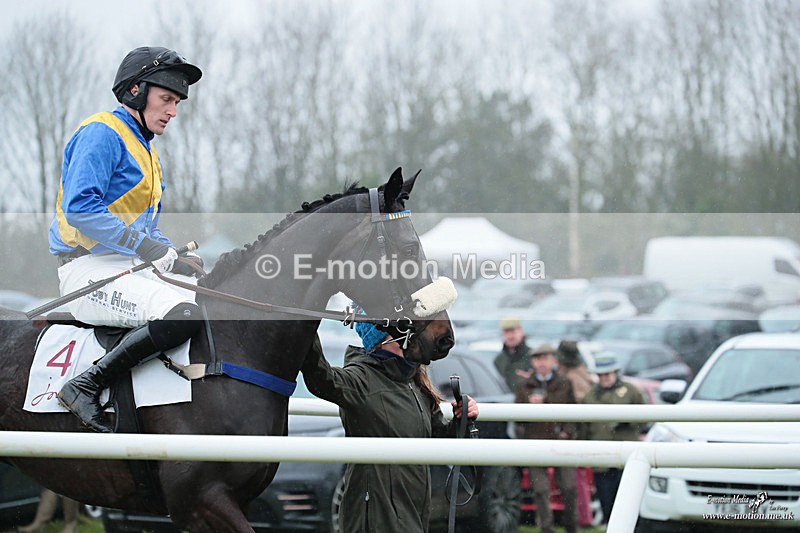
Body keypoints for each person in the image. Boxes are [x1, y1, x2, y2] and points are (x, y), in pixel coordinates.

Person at [48, 46, 205, 433]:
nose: (172, 111)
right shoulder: (102, 132)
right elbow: (81, 209)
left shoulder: (148, 151)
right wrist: (142, 246)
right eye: (167, 99)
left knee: (211, 299)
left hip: (126, 267)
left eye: (177, 103)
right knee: (182, 315)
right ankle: (85, 385)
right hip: (86, 271)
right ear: (136, 91)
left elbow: (146, 227)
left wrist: (169, 253)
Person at [300, 322, 479, 533]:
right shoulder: (361, 379)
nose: (415, 341)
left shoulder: (414, 383)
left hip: (412, 512)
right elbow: (320, 378)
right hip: (375, 516)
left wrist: (462, 419)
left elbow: (438, 437)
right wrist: (306, 325)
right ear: (385, 340)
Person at [514, 343, 578, 533]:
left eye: (545, 358)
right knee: (541, 491)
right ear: (533, 362)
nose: (542, 363)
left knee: (569, 488)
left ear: (553, 360)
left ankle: (571, 528)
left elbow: (574, 412)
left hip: (561, 442)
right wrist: (529, 405)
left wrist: (567, 432)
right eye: (538, 358)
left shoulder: (565, 382)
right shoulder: (523, 386)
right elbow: (517, 419)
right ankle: (547, 529)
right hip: (536, 442)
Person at [581, 352, 646, 524]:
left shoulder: (630, 391)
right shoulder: (589, 397)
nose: (604, 378)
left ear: (615, 372)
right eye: (600, 375)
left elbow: (646, 417)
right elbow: (584, 428)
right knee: (607, 502)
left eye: (607, 374)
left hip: (628, 457)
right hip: (601, 458)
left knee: (630, 502)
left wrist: (626, 420)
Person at [556, 340, 595, 528]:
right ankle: (584, 517)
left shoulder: (571, 376)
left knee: (578, 477)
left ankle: (584, 518)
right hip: (579, 430)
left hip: (577, 432)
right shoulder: (581, 370)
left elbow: (579, 403)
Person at [493, 316, 534, 391]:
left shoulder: (534, 357)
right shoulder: (498, 360)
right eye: (506, 332)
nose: (510, 336)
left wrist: (532, 380)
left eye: (513, 331)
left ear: (521, 331)